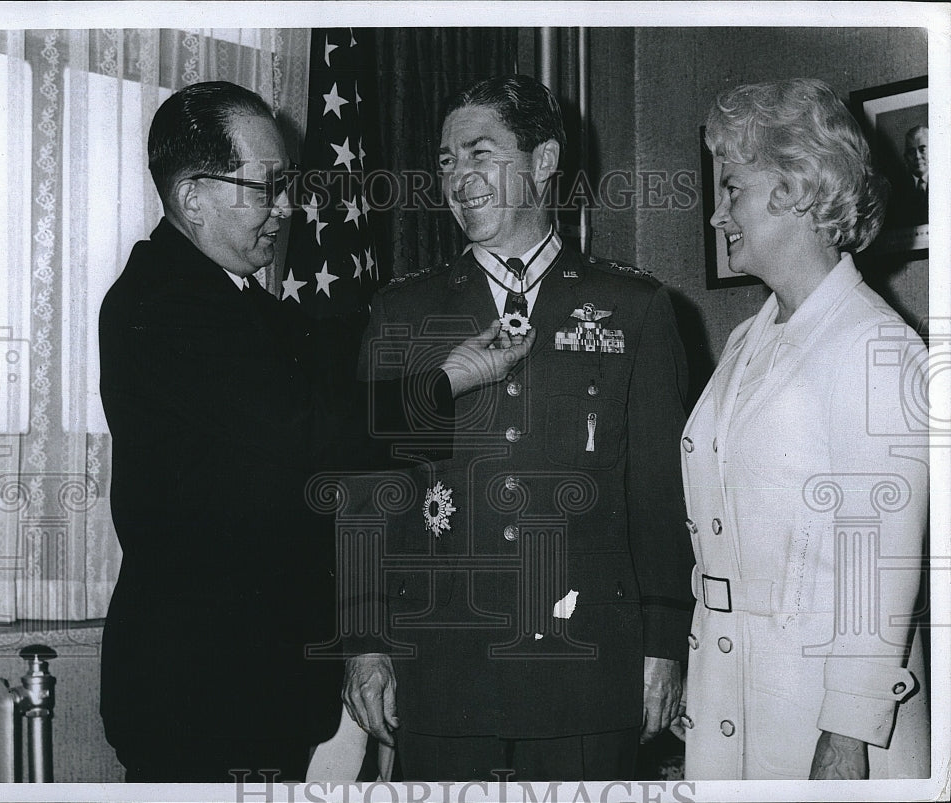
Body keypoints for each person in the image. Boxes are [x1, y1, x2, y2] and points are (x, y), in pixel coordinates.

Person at [98, 80, 533, 782]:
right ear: (192, 198)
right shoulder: (163, 305)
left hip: (253, 692)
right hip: (202, 700)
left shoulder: (236, 302)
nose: (287, 206)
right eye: (267, 186)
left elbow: (335, 365)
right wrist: (449, 380)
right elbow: (310, 430)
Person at [342, 74, 694, 781]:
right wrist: (363, 638)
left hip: (588, 670)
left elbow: (659, 494)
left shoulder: (634, 306)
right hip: (443, 670)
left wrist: (664, 646)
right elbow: (371, 491)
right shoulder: (404, 311)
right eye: (445, 161)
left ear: (542, 161)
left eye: (479, 153)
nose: (458, 178)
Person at [676, 78, 929, 780]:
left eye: (733, 189)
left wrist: (844, 742)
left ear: (794, 188)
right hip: (736, 695)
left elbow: (875, 573)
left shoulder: (876, 350)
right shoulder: (744, 343)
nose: (717, 215)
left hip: (826, 726)